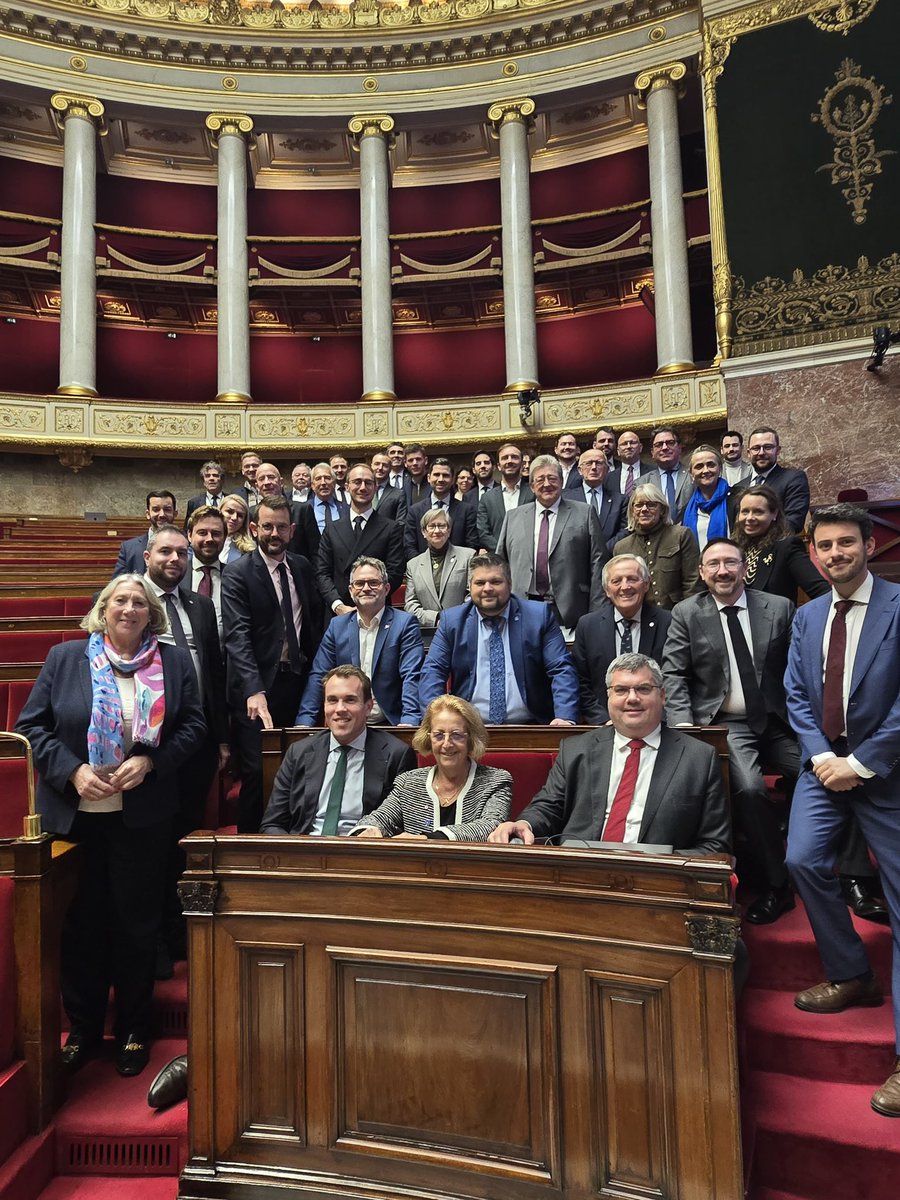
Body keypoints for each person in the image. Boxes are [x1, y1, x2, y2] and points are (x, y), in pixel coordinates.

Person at [15, 575, 206, 1077]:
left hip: (141, 817)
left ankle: (133, 1031)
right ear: (103, 609)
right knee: (82, 926)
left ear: (151, 614)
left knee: (136, 926)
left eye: (138, 603)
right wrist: (73, 771)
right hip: (75, 820)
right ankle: (82, 1030)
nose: (128, 609)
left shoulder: (172, 660)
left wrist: (150, 762)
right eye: (119, 600)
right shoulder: (66, 658)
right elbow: (32, 727)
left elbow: (193, 727)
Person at [784, 504, 900, 1116]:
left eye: (846, 544)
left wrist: (861, 762)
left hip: (888, 771)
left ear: (869, 543)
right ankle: (852, 973)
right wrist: (823, 756)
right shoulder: (807, 616)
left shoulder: (899, 606)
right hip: (823, 765)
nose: (835, 555)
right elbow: (796, 694)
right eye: (824, 546)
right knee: (802, 860)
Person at [662, 538, 799, 923]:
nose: (722, 571)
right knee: (750, 788)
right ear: (703, 572)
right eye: (713, 565)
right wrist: (687, 726)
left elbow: (800, 668)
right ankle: (778, 884)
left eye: (730, 563)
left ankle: (849, 873)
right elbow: (674, 673)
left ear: (744, 568)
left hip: (779, 721)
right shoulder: (687, 612)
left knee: (826, 770)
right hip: (726, 725)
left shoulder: (779, 607)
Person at [489, 653, 729, 856]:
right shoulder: (576, 750)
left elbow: (715, 845)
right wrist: (523, 823)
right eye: (621, 690)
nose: (632, 698)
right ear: (609, 697)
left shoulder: (699, 758)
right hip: (582, 873)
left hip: (659, 882)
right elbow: (549, 807)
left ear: (663, 696)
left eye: (643, 689)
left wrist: (662, 862)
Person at [143, 524, 229, 973]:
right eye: (165, 552)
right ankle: (154, 938)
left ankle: (179, 933)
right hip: (150, 745)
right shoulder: (133, 604)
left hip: (195, 741)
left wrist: (220, 736)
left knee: (185, 838)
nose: (174, 560)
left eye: (181, 553)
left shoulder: (199, 604)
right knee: (152, 844)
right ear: (146, 556)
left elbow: (213, 673)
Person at [221, 495, 324, 832]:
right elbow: (237, 637)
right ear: (254, 529)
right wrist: (253, 690)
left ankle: (293, 840)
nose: (274, 533)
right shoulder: (238, 573)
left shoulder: (302, 567)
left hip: (296, 683)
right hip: (257, 690)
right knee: (256, 770)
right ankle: (252, 845)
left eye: (281, 527)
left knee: (300, 767)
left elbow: (312, 624)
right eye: (267, 526)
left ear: (292, 530)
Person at [419, 553, 579, 725]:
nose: (487, 588)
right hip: (467, 730)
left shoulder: (538, 616)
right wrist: (434, 718)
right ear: (469, 587)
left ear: (510, 584)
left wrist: (565, 716)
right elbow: (433, 672)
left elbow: (561, 669)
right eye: (479, 583)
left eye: (496, 582)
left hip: (531, 726)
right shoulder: (453, 621)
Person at [260, 666, 417, 835]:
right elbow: (272, 824)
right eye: (332, 700)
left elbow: (403, 825)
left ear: (368, 707)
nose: (340, 709)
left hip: (364, 853)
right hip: (306, 852)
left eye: (350, 700)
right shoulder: (298, 752)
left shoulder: (396, 755)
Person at [351, 696, 512, 841]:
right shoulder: (408, 782)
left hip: (472, 871)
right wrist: (369, 830)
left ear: (470, 739)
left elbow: (490, 825)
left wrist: (426, 838)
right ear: (429, 739)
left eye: (456, 735)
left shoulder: (495, 781)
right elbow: (380, 818)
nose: (447, 744)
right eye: (439, 735)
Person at [297, 556, 424, 727]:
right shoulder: (337, 626)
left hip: (389, 723)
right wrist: (305, 722)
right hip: (346, 723)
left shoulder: (405, 624)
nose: (366, 588)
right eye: (359, 583)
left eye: (373, 583)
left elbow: (412, 675)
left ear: (386, 589)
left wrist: (409, 722)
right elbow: (319, 675)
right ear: (350, 590)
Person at [496, 453, 606, 637]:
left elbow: (598, 564)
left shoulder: (584, 513)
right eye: (540, 479)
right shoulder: (513, 517)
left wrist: (595, 614)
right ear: (531, 486)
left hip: (571, 611)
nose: (546, 484)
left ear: (562, 482)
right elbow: (500, 565)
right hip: (521, 609)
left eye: (552, 478)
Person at [573, 554, 672, 724]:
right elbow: (581, 683)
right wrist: (603, 720)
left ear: (646, 584)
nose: (625, 587)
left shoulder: (668, 622)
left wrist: (658, 719)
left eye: (632, 579)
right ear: (606, 590)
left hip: (657, 723)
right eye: (616, 581)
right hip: (605, 724)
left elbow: (674, 679)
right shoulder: (588, 625)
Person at [317, 463, 405, 615]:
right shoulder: (332, 528)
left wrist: (368, 601)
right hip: (339, 612)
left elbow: (395, 573)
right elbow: (322, 573)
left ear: (375, 488)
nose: (363, 487)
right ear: (346, 487)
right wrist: (337, 605)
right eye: (357, 482)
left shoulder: (391, 528)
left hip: (377, 610)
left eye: (368, 483)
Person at [733, 484, 829, 603]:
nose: (750, 518)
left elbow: (822, 592)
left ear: (774, 514)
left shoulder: (787, 547)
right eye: (745, 512)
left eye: (758, 512)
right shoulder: (734, 548)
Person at [613, 483, 699, 609]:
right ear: (632, 511)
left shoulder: (681, 535)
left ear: (662, 510)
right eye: (638, 505)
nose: (644, 509)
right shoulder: (621, 547)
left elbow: (693, 582)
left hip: (676, 615)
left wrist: (688, 615)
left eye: (651, 504)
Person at [404, 509, 475, 642]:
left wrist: (453, 619)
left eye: (442, 526)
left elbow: (472, 596)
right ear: (424, 532)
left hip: (462, 630)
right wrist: (435, 618)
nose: (437, 531)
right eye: (431, 526)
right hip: (428, 634)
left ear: (449, 530)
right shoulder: (413, 565)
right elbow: (410, 605)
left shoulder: (468, 556)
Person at [734, 426, 811, 534]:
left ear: (778, 450)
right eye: (756, 448)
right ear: (748, 452)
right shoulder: (738, 487)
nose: (761, 453)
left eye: (768, 447)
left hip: (778, 548)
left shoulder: (793, 479)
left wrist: (755, 539)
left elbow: (794, 522)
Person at [404, 458, 477, 558]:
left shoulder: (467, 510)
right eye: (437, 475)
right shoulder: (415, 511)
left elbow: (471, 544)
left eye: (446, 475)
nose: (441, 479)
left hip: (457, 569)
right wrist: (422, 567)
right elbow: (409, 546)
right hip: (422, 569)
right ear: (429, 478)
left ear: (452, 480)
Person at [251, 462, 320, 562]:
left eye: (271, 477)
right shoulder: (251, 512)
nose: (267, 482)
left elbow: (316, 550)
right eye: (262, 479)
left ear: (281, 482)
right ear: (257, 486)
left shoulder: (302, 510)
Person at [476, 442, 533, 553]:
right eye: (505, 458)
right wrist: (503, 550)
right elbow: (483, 533)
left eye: (514, 457)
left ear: (522, 464)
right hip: (498, 559)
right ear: (498, 465)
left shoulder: (533, 493)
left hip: (528, 556)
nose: (509, 461)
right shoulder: (487, 498)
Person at [565, 446, 626, 550]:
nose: (594, 467)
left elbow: (624, 530)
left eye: (599, 463)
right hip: (575, 557)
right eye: (589, 463)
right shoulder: (566, 498)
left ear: (606, 470)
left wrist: (603, 550)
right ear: (580, 470)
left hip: (609, 558)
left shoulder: (620, 500)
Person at [113, 490, 178, 576]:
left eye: (167, 509)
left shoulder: (187, 547)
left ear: (175, 513)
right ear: (148, 514)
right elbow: (118, 584)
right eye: (156, 509)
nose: (162, 514)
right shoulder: (129, 548)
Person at [186, 505, 226, 636]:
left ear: (225, 537)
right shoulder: (176, 576)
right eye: (202, 533)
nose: (209, 539)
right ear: (190, 535)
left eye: (216, 533)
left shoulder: (235, 577)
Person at [683, 444, 730, 551]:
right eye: (699, 466)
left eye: (711, 465)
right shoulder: (686, 509)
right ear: (691, 473)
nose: (705, 471)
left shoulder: (736, 499)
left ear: (720, 468)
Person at [645, 426, 692, 522]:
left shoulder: (693, 475)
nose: (665, 448)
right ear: (652, 452)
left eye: (670, 443)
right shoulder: (642, 482)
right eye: (659, 445)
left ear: (680, 448)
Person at [607, 429, 651, 498]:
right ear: (618, 451)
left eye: (632, 443)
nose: (628, 446)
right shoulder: (608, 478)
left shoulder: (653, 472)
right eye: (624, 444)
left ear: (640, 448)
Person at [184, 460, 226, 528]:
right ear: (204, 482)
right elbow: (188, 528)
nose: (211, 478)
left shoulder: (230, 500)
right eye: (207, 476)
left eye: (215, 475)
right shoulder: (194, 503)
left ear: (222, 480)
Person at [308, 463, 347, 532]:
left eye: (327, 478)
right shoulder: (304, 509)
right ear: (312, 485)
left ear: (334, 483)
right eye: (318, 479)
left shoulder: (346, 509)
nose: (323, 483)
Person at [371, 451, 408, 522]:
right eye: (377, 464)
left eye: (385, 465)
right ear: (371, 465)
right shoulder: (363, 491)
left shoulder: (398, 494)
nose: (380, 468)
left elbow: (400, 522)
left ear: (390, 469)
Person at [219, 493, 255, 563]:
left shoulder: (249, 551)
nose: (234, 518)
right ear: (219, 512)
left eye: (240, 515)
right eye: (229, 512)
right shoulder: (206, 541)